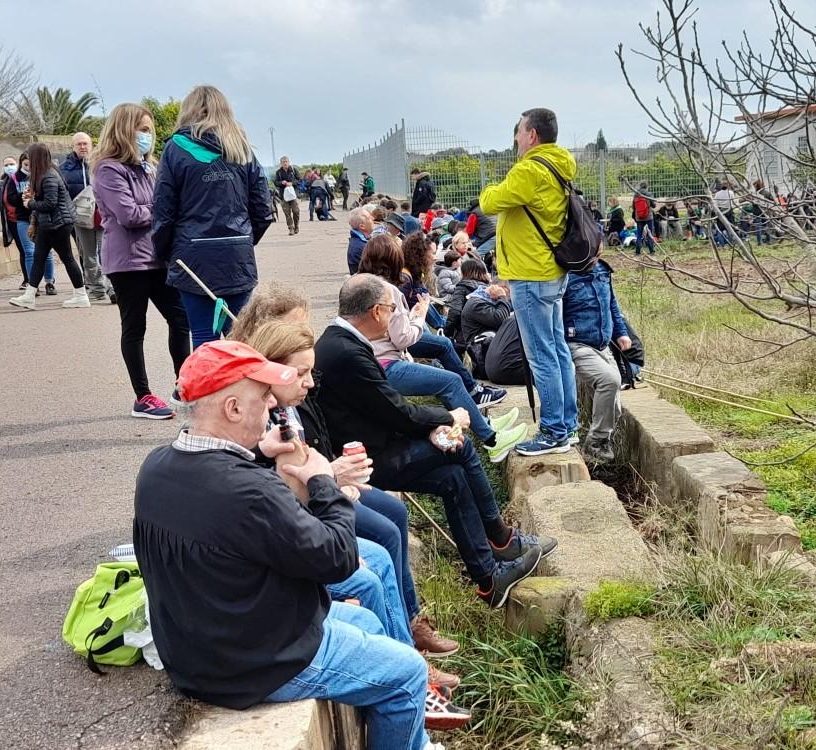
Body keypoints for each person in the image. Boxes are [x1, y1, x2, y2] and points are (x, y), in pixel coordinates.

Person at [133, 340, 452, 749]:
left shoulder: (157, 467)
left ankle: (408, 737)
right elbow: (338, 558)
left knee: (369, 623)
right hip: (257, 663)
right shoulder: (248, 490)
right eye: (263, 395)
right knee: (407, 674)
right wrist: (323, 482)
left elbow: (232, 509)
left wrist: (259, 454)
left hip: (197, 651)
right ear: (233, 409)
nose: (271, 403)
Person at [228, 284, 462, 674]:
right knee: (378, 551)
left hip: (320, 488)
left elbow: (310, 445)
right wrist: (331, 481)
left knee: (395, 514)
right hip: (301, 515)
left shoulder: (288, 398)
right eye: (296, 332)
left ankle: (408, 629)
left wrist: (336, 471)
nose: (307, 336)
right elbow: (275, 496)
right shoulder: (258, 410)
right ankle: (405, 660)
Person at [315, 274, 556, 607]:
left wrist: (431, 428)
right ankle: (501, 538)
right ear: (375, 311)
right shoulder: (347, 352)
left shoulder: (340, 341)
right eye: (391, 309)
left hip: (375, 444)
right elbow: (395, 410)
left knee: (452, 477)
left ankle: (488, 578)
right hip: (369, 459)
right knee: (462, 446)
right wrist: (447, 418)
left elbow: (386, 409)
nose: (392, 316)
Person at [357, 238, 523, 460]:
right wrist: (419, 316)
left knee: (443, 376)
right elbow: (403, 339)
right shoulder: (388, 290)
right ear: (393, 259)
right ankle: (492, 440)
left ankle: (484, 422)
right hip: (386, 365)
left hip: (369, 362)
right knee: (451, 381)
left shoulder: (360, 284)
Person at [479, 108, 579, 455]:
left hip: (530, 275)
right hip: (550, 272)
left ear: (532, 135)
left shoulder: (529, 170)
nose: (516, 138)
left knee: (542, 356)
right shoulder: (558, 164)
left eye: (519, 131)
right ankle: (568, 424)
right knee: (558, 349)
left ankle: (553, 432)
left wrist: (494, 186)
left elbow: (489, 202)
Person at [151, 85, 273, 348]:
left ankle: (206, 376)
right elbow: (263, 208)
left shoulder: (175, 148)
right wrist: (244, 239)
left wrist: (165, 251)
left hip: (192, 256)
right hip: (236, 256)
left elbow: (163, 210)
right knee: (241, 338)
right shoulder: (241, 148)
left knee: (203, 337)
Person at [92, 102, 191, 420]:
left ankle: (185, 386)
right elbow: (129, 215)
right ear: (124, 130)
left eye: (149, 130)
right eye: (142, 129)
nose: (147, 135)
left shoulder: (150, 167)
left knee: (180, 321)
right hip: (127, 263)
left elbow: (160, 203)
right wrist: (164, 208)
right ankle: (143, 397)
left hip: (157, 258)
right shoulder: (108, 169)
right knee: (135, 328)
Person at [562, 253, 633, 462]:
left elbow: (612, 303)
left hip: (603, 344)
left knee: (614, 408)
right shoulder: (562, 274)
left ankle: (597, 444)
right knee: (610, 380)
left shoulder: (603, 270)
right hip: (576, 344)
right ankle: (596, 442)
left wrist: (621, 332)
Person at [9, 143, 90, 310]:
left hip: (57, 224)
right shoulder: (45, 174)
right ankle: (30, 295)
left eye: (31, 157)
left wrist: (30, 203)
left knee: (65, 258)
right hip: (51, 223)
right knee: (41, 258)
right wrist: (32, 200)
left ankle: (81, 295)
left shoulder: (48, 176)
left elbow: (50, 203)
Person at [61, 132, 114, 302]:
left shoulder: (101, 163)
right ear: (73, 146)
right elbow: (63, 193)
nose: (82, 147)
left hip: (102, 215)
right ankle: (96, 288)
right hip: (81, 218)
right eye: (79, 144)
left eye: (85, 144)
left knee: (106, 252)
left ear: (91, 145)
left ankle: (112, 287)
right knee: (89, 256)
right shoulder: (65, 168)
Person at [4, 153, 57, 293]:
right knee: (29, 251)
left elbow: (50, 196)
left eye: (30, 164)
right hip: (23, 218)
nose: (28, 167)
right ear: (21, 164)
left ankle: (49, 281)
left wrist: (35, 199)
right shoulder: (15, 178)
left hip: (41, 218)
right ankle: (33, 284)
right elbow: (10, 198)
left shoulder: (42, 176)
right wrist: (22, 197)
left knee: (47, 252)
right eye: (25, 164)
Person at [0, 156, 27, 288]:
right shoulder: (2, 184)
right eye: (6, 165)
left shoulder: (23, 179)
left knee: (32, 250)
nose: (9, 167)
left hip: (27, 219)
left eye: (11, 164)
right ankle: (28, 280)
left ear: (17, 164)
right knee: (23, 250)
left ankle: (46, 279)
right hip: (12, 222)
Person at [443, 258, 490, 349]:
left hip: (464, 335)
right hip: (485, 335)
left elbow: (455, 311)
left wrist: (447, 331)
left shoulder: (462, 287)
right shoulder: (489, 289)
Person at [274, 156, 301, 235]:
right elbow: (276, 182)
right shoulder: (278, 172)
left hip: (293, 195)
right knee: (287, 213)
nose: (285, 163)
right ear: (281, 163)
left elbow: (299, 180)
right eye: (283, 162)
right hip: (283, 196)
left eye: (286, 161)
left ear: (289, 162)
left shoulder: (293, 170)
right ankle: (291, 228)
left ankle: (296, 226)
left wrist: (292, 183)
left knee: (296, 211)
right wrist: (281, 182)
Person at [631, 181, 657, 256]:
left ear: (640, 186)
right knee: (649, 233)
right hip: (648, 216)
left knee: (639, 234)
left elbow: (633, 207)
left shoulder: (636, 194)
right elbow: (654, 205)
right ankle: (651, 251)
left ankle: (637, 252)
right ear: (647, 186)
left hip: (639, 217)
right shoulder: (649, 194)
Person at [347, 208, 373, 274]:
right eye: (369, 218)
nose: (373, 218)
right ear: (362, 226)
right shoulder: (361, 246)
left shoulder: (361, 241)